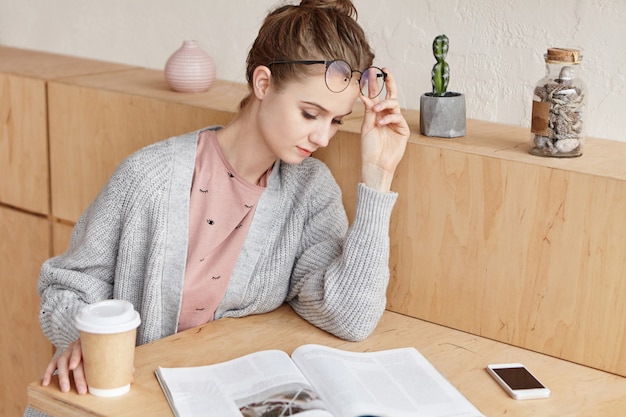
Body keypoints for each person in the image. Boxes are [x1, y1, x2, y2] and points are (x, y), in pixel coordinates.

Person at [25, 0, 409, 414]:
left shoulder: (309, 190)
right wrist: (85, 339)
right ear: (263, 84)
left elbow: (350, 316)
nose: (323, 137)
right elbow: (65, 287)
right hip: (116, 401)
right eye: (310, 113)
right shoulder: (150, 176)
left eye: (336, 121)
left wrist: (378, 176)